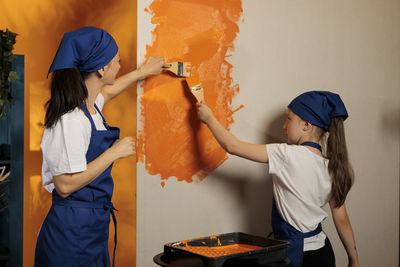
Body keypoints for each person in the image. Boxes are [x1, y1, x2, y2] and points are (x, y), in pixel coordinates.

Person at [35, 26, 169, 267]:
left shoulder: (90, 105)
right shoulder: (71, 119)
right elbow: (64, 185)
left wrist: (143, 72)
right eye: (117, 60)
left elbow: (109, 91)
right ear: (102, 69)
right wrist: (113, 153)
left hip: (91, 225)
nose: (120, 64)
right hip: (71, 232)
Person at [196, 91, 360, 267]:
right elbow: (341, 218)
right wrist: (354, 259)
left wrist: (208, 118)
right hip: (322, 254)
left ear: (306, 125)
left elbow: (232, 146)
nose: (284, 126)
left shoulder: (286, 154)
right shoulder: (331, 167)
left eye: (288, 119)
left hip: (297, 256)